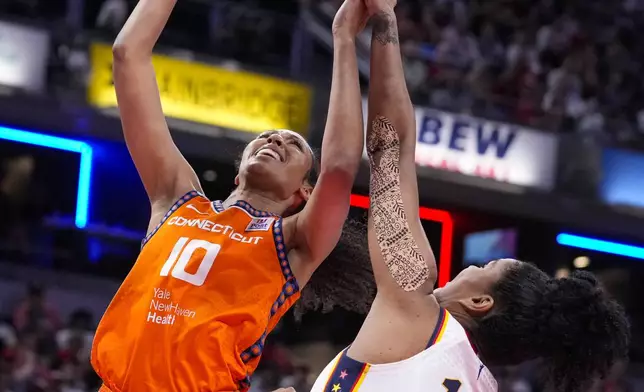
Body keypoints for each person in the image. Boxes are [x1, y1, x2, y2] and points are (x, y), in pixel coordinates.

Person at [310, 1, 631, 392]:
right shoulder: (485, 385)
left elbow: (389, 150)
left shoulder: (419, 310)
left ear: (480, 303)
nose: (470, 267)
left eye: (484, 266)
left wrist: (378, 23)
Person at [90, 0, 373, 391]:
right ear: (240, 165)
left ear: (303, 192)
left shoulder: (293, 242)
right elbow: (127, 55)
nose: (276, 138)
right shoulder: (176, 199)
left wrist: (343, 38)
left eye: (293, 144)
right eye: (267, 136)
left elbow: (340, 166)